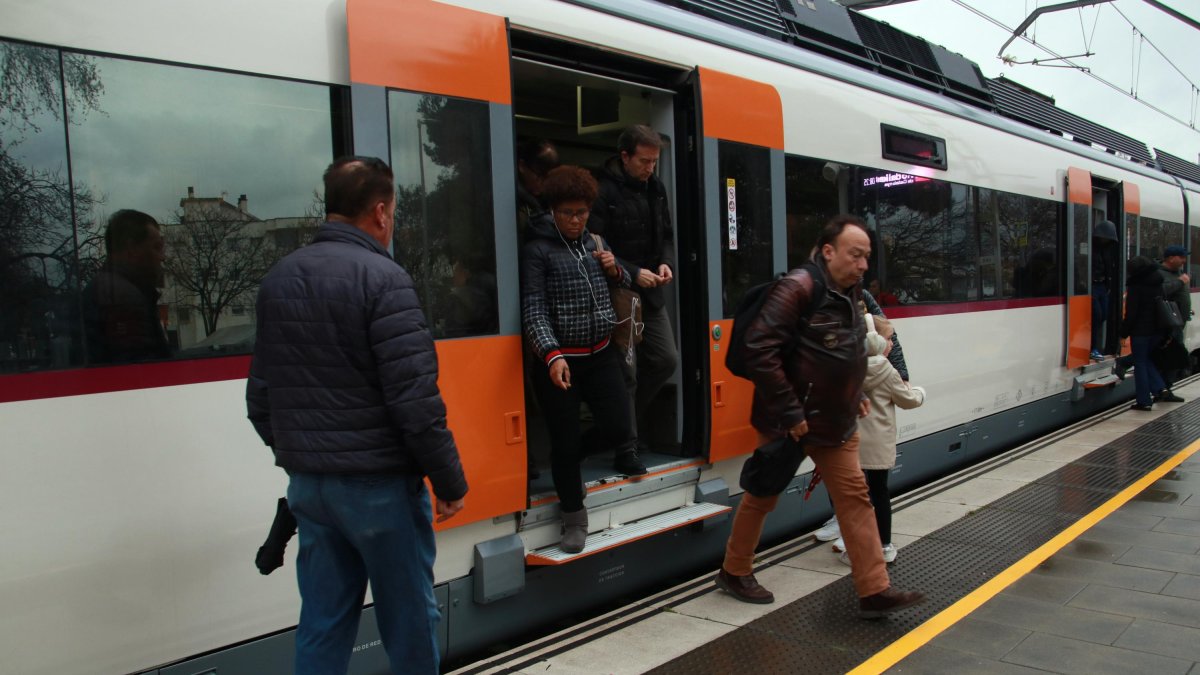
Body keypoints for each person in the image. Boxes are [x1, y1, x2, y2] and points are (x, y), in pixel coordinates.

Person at [246, 156, 467, 675]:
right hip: (380, 490)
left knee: (322, 623)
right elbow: (415, 401)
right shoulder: (384, 280)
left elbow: (260, 397)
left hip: (311, 490)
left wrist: (299, 456)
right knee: (410, 622)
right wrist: (449, 480)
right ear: (382, 211)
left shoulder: (279, 278)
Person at [714, 215, 925, 618]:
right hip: (788, 421)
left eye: (867, 257)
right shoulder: (798, 288)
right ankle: (733, 570)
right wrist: (791, 410)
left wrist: (855, 391)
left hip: (836, 418)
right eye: (855, 254)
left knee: (856, 499)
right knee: (763, 496)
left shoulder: (851, 291)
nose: (863, 264)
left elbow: (849, 349)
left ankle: (874, 589)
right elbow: (759, 350)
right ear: (828, 252)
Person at [521, 165, 639, 553]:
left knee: (620, 428)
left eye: (582, 212)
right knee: (565, 438)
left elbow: (623, 282)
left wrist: (615, 268)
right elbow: (533, 309)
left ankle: (566, 458)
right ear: (552, 210)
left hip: (602, 353)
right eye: (568, 213)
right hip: (561, 362)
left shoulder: (594, 242)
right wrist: (551, 355)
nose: (576, 220)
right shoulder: (537, 249)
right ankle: (574, 517)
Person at [589, 125, 677, 469]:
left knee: (666, 359)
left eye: (654, 162)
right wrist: (631, 271)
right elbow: (595, 244)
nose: (650, 168)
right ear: (624, 156)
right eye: (644, 161)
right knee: (628, 372)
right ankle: (627, 446)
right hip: (618, 290)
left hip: (651, 291)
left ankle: (618, 424)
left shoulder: (656, 187)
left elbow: (667, 234)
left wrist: (666, 262)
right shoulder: (603, 190)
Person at [814, 287, 909, 544]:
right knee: (836, 468)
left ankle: (853, 528)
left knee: (855, 471)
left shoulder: (861, 296)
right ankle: (845, 522)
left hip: (852, 389)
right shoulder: (815, 294)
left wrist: (902, 374)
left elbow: (890, 332)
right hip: (835, 390)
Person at [837, 324, 925, 566]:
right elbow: (908, 400)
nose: (892, 344)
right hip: (879, 444)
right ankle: (884, 545)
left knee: (855, 497)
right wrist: (919, 392)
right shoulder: (888, 371)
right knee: (880, 493)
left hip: (853, 442)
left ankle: (853, 548)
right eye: (889, 340)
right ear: (878, 344)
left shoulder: (851, 371)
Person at [83, 209, 171, 363]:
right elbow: (144, 374)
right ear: (132, 249)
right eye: (156, 247)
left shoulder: (106, 287)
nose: (162, 257)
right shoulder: (124, 298)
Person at [1120, 255, 1179, 411]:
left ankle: (1144, 401)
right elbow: (1164, 307)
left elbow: (1131, 313)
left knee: (1140, 363)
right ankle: (1161, 389)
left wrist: (1123, 333)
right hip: (1158, 330)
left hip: (1141, 331)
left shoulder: (1135, 286)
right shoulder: (1158, 282)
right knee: (1145, 359)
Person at [516, 138, 559, 238]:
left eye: (549, 178)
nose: (544, 183)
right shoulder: (512, 201)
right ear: (522, 166)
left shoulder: (551, 200)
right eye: (540, 176)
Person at [1090, 220, 1119, 361]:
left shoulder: (1106, 250)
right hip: (1093, 286)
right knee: (1097, 315)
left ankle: (1094, 346)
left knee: (1103, 315)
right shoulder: (1091, 248)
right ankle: (1092, 347)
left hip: (1101, 286)